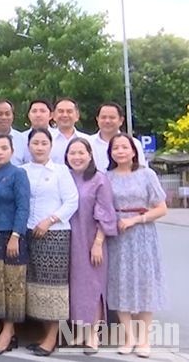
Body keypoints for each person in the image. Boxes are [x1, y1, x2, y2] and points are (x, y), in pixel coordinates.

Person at [106, 133, 167, 357]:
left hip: (142, 233)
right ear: (110, 153)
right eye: (116, 148)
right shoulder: (107, 177)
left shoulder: (146, 174)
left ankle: (144, 339)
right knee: (119, 282)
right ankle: (128, 336)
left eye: (125, 147)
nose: (120, 151)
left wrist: (135, 220)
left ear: (133, 151)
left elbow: (161, 208)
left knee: (144, 284)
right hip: (117, 235)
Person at [21, 128, 79, 356]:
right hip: (28, 234)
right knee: (35, 287)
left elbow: (72, 201)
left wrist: (50, 220)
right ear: (29, 146)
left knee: (53, 289)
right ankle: (44, 335)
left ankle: (52, 338)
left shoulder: (60, 171)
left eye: (44, 143)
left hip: (55, 234)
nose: (39, 147)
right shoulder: (22, 171)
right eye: (35, 143)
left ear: (50, 146)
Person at [64, 138, 117, 354]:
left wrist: (98, 243)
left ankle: (93, 334)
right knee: (75, 286)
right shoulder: (64, 177)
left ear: (90, 155)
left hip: (91, 240)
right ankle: (80, 332)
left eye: (81, 153)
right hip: (68, 240)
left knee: (93, 286)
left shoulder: (99, 180)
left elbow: (106, 213)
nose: (77, 157)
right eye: (72, 153)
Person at [0, 134, 30, 355]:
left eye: (4, 148)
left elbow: (23, 207)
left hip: (11, 236)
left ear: (11, 151)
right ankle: (4, 329)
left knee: (12, 285)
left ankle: (8, 332)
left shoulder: (18, 174)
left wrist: (15, 235)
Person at [89, 102, 146, 171]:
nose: (107, 121)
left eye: (112, 117)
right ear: (97, 119)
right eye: (103, 117)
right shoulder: (87, 143)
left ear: (121, 120)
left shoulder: (134, 143)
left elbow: (142, 171)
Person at [50, 98, 89, 164]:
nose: (65, 115)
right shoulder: (46, 140)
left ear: (77, 116)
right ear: (54, 116)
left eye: (69, 111)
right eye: (61, 111)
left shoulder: (88, 140)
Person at [0, 99, 26, 166]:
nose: (4, 117)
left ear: (12, 116)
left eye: (7, 114)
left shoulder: (24, 140)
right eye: (0, 114)